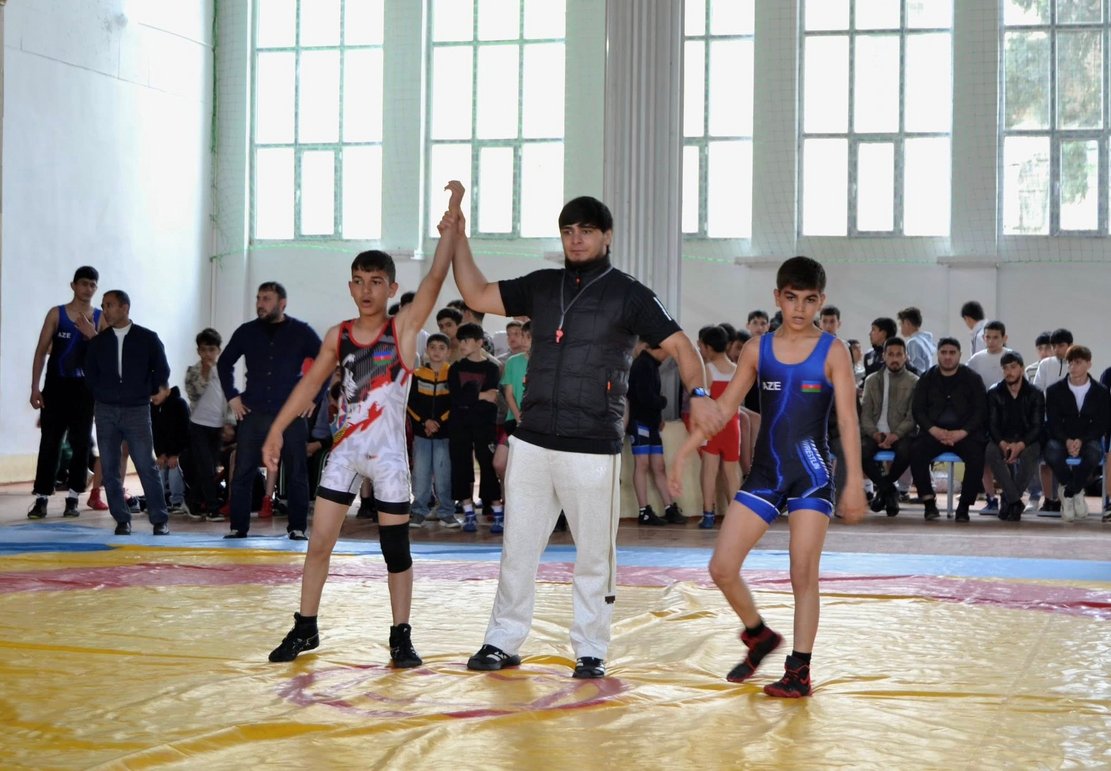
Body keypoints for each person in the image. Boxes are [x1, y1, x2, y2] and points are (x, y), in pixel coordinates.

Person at [455, 195, 723, 680]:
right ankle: (502, 639)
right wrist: (457, 235)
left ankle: (591, 647)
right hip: (533, 439)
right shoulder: (542, 285)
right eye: (567, 232)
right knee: (518, 547)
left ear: (606, 236)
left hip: (592, 444)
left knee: (595, 555)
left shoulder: (629, 294)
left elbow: (682, 346)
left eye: (585, 231)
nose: (575, 240)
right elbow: (475, 294)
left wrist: (700, 393)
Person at [264, 181, 462, 666]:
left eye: (376, 282)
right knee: (319, 544)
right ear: (350, 286)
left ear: (391, 289)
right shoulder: (340, 335)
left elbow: (436, 278)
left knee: (396, 551)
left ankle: (401, 635)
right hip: (347, 452)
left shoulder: (404, 329)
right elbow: (310, 385)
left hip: (389, 458)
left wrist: (451, 224)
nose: (366, 290)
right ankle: (306, 627)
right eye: (358, 281)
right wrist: (276, 429)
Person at [669, 256, 865, 698]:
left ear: (821, 301)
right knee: (721, 568)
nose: (799, 308)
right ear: (777, 297)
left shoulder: (833, 351)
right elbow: (725, 409)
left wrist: (853, 480)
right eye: (791, 298)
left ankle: (799, 670)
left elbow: (848, 421)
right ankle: (758, 635)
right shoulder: (758, 349)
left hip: (812, 475)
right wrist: (683, 452)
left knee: (803, 572)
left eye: (809, 300)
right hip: (766, 472)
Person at [217, 282, 323, 540]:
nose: (260, 304)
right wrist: (232, 396)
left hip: (290, 413)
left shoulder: (300, 331)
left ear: (282, 304)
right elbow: (224, 362)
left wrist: (314, 397)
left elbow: (326, 363)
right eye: (258, 298)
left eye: (266, 299)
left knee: (297, 471)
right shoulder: (247, 332)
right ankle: (238, 527)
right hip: (253, 412)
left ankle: (297, 527)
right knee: (243, 470)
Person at [83, 290, 172, 536]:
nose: (105, 310)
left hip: (136, 410)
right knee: (110, 467)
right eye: (103, 306)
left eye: (110, 305)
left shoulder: (147, 338)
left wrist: (150, 390)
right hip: (106, 410)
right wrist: (103, 394)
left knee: (145, 464)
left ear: (125, 308)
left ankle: (159, 519)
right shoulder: (99, 342)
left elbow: (161, 370)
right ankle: (121, 519)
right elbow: (90, 374)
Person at [28, 266, 104, 519]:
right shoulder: (56, 314)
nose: (88, 289)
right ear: (73, 285)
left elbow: (105, 358)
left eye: (92, 285)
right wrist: (35, 387)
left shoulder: (100, 317)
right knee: (50, 441)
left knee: (81, 443)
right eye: (83, 283)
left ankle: (73, 498)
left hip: (84, 390)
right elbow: (41, 351)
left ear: (96, 288)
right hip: (55, 387)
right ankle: (41, 497)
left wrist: (92, 335)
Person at [908, 337, 987, 523]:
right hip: (933, 433)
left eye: (952, 353)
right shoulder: (926, 378)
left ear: (960, 355)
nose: (948, 357)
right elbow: (918, 410)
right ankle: (928, 503)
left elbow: (980, 411)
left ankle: (964, 506)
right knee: (916, 451)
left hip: (964, 434)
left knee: (977, 455)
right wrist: (933, 430)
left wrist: (962, 432)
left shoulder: (973, 379)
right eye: (944, 352)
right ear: (938, 355)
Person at [1043, 345, 1110, 522]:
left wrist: (1081, 440)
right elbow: (1053, 422)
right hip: (1061, 438)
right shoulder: (1054, 390)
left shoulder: (1101, 391)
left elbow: (1101, 423)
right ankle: (1076, 490)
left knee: (1094, 453)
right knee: (1051, 452)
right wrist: (1066, 440)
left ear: (1089, 364)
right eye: (1070, 363)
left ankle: (1068, 492)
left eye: (1078, 362)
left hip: (1088, 438)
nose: (1072, 367)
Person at [448, 322, 503, 532]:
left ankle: (497, 511)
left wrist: (471, 397)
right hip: (460, 424)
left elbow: (493, 397)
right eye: (460, 340)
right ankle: (468, 512)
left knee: (488, 465)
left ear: (480, 342)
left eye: (467, 340)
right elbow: (457, 398)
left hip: (484, 424)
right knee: (461, 466)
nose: (462, 344)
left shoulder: (492, 368)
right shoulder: (455, 368)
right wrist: (481, 396)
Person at [626, 338, 684, 526]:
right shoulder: (642, 365)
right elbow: (645, 397)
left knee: (658, 467)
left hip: (651, 423)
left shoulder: (651, 365)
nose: (668, 355)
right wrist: (663, 402)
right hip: (640, 422)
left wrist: (658, 416)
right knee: (642, 465)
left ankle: (669, 507)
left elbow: (649, 397)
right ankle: (644, 511)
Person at [860, 337, 918, 518]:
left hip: (901, 434)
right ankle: (889, 490)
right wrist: (875, 434)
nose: (895, 359)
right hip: (875, 433)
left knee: (907, 451)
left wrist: (895, 434)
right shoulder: (871, 381)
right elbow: (865, 414)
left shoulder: (914, 381)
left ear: (905, 357)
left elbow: (912, 416)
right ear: (884, 356)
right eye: (891, 354)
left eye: (899, 355)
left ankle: (883, 490)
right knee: (860, 452)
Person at [985, 352, 1044, 521]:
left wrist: (1020, 445)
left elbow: (1037, 426)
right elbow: (992, 425)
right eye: (1005, 368)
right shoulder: (994, 392)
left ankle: (1009, 499)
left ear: (1022, 369)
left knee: (1030, 454)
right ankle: (1015, 502)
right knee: (991, 452)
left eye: (1013, 367)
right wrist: (1003, 444)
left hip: (1027, 440)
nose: (1009, 372)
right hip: (1002, 439)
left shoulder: (1035, 393)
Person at [407, 333, 457, 528]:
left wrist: (438, 422)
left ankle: (446, 512)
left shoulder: (452, 373)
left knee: (444, 473)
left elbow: (454, 402)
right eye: (433, 347)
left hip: (444, 433)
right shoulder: (417, 374)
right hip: (422, 433)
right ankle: (419, 511)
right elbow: (410, 403)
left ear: (448, 352)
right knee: (421, 473)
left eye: (441, 348)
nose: (437, 351)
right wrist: (425, 422)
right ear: (426, 350)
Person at [696, 325, 741, 530]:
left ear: (707, 347)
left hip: (713, 426)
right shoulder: (737, 370)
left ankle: (708, 514)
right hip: (732, 426)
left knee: (709, 469)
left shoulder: (708, 369)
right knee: (732, 472)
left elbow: (702, 398)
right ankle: (735, 517)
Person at [184, 328, 230, 521]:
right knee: (206, 467)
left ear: (218, 350)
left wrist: (228, 423)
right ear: (198, 351)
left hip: (217, 426)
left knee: (209, 467)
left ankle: (192, 500)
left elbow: (229, 398)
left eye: (211, 349)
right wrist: (205, 373)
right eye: (203, 350)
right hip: (198, 425)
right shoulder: (193, 371)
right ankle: (212, 508)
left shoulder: (224, 371)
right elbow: (193, 394)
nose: (208, 354)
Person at [150, 386, 191, 516]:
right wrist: (161, 454)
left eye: (156, 392)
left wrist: (175, 454)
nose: (153, 396)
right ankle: (160, 500)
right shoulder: (153, 408)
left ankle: (177, 501)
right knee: (159, 468)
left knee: (174, 468)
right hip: (165, 452)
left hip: (182, 450)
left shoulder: (180, 404)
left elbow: (184, 432)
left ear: (167, 391)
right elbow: (156, 434)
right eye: (151, 393)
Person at [897, 307, 937, 376]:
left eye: (900, 324)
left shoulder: (913, 343)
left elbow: (917, 370)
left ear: (907, 323)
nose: (900, 328)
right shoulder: (926, 339)